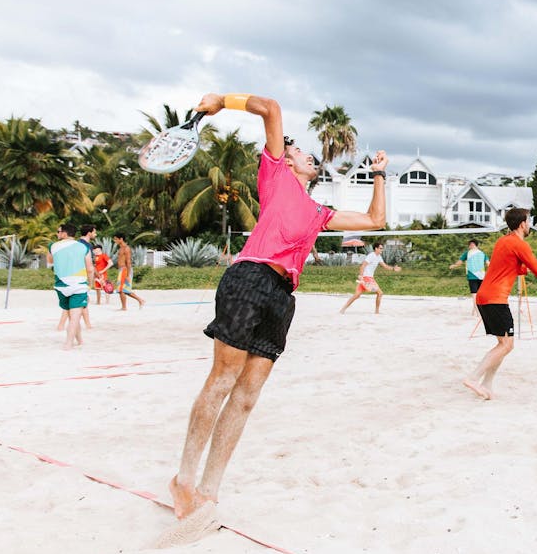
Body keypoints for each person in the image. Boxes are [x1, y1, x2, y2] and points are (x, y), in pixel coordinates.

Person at [169, 92, 390, 527]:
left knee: (247, 398)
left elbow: (373, 221)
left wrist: (380, 174)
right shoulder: (275, 175)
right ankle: (183, 479)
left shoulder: (318, 212)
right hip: (249, 279)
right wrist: (221, 101)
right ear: (287, 161)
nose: (306, 153)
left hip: (281, 296)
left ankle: (209, 491)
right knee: (222, 381)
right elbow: (269, 108)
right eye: (300, 150)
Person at [462, 208, 537, 400]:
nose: (530, 224)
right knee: (507, 345)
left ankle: (487, 383)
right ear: (522, 224)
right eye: (528, 220)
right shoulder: (519, 244)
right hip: (495, 299)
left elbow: (513, 267)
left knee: (504, 344)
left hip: (485, 296)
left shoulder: (504, 241)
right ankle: (473, 378)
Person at [49, 224, 94, 351]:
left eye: (58, 232)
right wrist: (90, 285)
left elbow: (50, 260)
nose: (57, 234)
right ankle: (68, 343)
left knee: (71, 314)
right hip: (79, 284)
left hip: (60, 284)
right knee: (75, 316)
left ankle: (79, 340)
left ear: (64, 233)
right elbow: (90, 268)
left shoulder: (52, 246)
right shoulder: (83, 247)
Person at [339, 242, 401, 314]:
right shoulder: (371, 255)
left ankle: (342, 309)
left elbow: (385, 266)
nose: (382, 250)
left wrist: (393, 269)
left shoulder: (379, 257)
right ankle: (377, 312)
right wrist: (361, 276)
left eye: (382, 248)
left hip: (368, 278)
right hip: (367, 278)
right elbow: (363, 266)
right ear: (376, 248)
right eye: (380, 248)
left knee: (357, 295)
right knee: (380, 293)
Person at [449, 239, 489, 312]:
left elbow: (459, 263)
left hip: (472, 276)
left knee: (474, 294)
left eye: (469, 245)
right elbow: (488, 264)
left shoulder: (467, 253)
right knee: (479, 294)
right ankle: (476, 310)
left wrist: (453, 266)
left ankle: (477, 310)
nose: (469, 246)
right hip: (481, 276)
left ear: (472, 245)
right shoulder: (482, 253)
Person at [113, 233, 146, 310]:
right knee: (125, 290)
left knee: (121, 290)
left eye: (116, 239)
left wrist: (128, 275)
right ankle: (140, 300)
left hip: (125, 270)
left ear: (121, 239)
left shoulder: (126, 248)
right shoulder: (120, 248)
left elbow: (128, 262)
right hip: (121, 270)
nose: (115, 241)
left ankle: (124, 307)